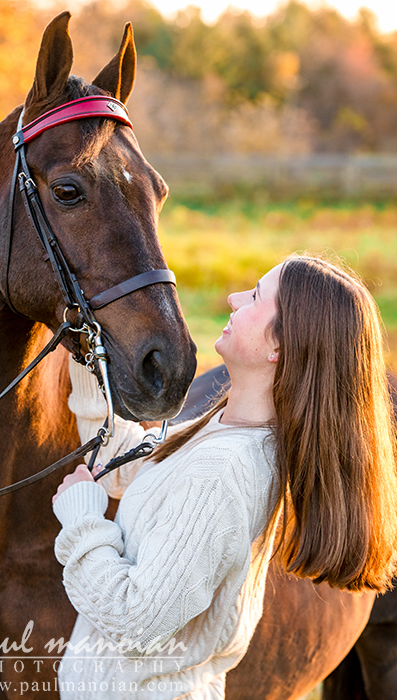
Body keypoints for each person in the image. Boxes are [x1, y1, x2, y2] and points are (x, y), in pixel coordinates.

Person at [51, 255, 397, 700]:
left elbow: (134, 622)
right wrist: (84, 355)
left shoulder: (224, 472)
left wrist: (82, 523)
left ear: (281, 347)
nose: (234, 299)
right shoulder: (231, 431)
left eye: (255, 297)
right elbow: (129, 469)